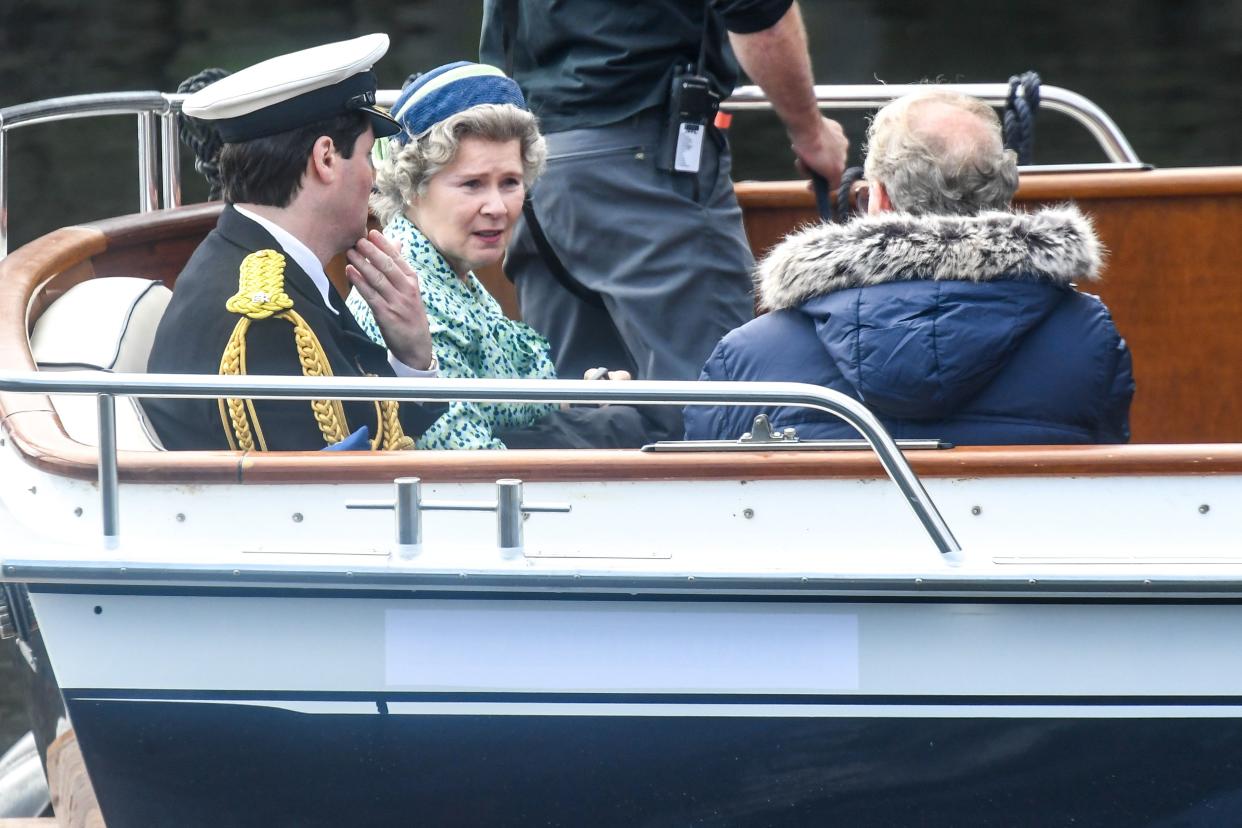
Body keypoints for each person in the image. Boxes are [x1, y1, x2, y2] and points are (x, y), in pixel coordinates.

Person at [684, 89, 1135, 445]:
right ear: (1002, 200)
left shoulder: (748, 356)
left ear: (877, 200)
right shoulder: (1087, 339)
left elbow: (710, 494)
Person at [480, 0, 848, 386]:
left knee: (575, 407)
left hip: (532, 168)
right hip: (641, 170)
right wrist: (810, 132)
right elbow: (759, 15)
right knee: (715, 403)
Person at [145, 34, 446, 452]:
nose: (373, 178)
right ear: (325, 159)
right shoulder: (266, 320)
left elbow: (366, 428)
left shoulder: (265, 265)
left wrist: (412, 354)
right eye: (365, 156)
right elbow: (323, 496)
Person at [349, 62, 657, 450]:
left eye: (510, 182)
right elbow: (464, 469)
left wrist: (579, 397)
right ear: (413, 186)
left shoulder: (451, 271)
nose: (497, 206)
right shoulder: (411, 295)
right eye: (472, 184)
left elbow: (498, 406)